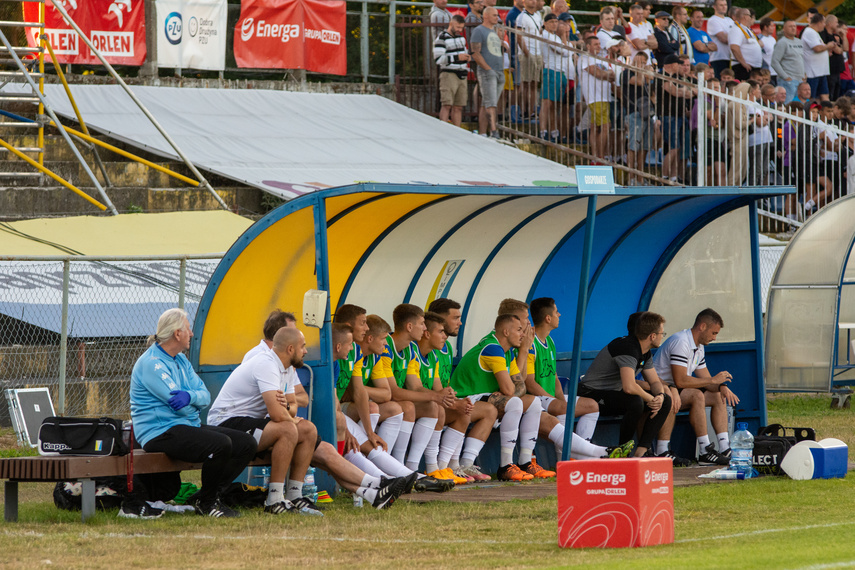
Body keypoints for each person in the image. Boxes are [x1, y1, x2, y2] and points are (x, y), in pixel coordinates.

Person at [208, 325, 412, 513]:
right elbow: (279, 414)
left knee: (309, 431)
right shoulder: (266, 363)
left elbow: (294, 405)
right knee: (291, 429)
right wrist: (288, 412)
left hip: (258, 425)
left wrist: (288, 409)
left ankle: (371, 489)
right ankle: (275, 499)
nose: (306, 351)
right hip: (228, 425)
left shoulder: (287, 367)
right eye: (303, 346)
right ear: (290, 348)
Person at [130, 308, 257, 518]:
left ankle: (206, 496)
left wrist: (190, 397)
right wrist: (192, 401)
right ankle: (208, 504)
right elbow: (177, 405)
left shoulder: (180, 360)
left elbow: (205, 395)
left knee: (246, 443)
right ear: (177, 333)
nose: (191, 333)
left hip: (185, 425)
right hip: (159, 431)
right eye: (188, 329)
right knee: (221, 444)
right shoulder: (151, 364)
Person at [526, 297, 634, 461]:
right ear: (548, 318)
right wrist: (555, 401)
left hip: (550, 398)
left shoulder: (549, 341)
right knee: (562, 408)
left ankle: (581, 454)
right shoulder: (531, 342)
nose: (559, 315)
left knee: (592, 405)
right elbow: (529, 382)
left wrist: (561, 399)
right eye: (556, 312)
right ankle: (564, 460)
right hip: (536, 398)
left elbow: (553, 375)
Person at [450, 314, 543, 481]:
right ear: (506, 332)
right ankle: (506, 466)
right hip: (464, 399)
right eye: (519, 330)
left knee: (534, 402)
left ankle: (525, 462)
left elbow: (521, 386)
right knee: (513, 403)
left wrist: (509, 393)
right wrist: (509, 394)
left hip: (483, 399)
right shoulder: (492, 347)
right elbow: (509, 389)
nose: (523, 334)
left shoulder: (508, 352)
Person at [577, 311, 671, 458]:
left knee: (666, 400)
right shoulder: (627, 347)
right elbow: (629, 387)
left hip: (613, 394)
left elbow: (654, 381)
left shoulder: (645, 351)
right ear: (652, 336)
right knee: (635, 401)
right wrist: (650, 399)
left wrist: (659, 396)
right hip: (591, 393)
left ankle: (642, 450)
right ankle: (623, 452)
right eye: (662, 333)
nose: (662, 336)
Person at [652, 309, 739, 466]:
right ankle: (699, 450)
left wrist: (721, 386)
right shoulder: (681, 341)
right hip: (657, 390)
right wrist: (713, 380)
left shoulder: (699, 346)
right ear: (702, 326)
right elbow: (680, 381)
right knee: (696, 395)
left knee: (717, 395)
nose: (714, 338)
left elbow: (705, 379)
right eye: (713, 333)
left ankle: (725, 448)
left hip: (675, 389)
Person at [656, 54, 694, 183]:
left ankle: (673, 176)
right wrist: (684, 91)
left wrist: (683, 91)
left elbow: (689, 94)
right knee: (673, 147)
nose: (681, 66)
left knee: (678, 148)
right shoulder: (662, 76)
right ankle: (665, 177)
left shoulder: (676, 77)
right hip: (669, 116)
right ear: (671, 65)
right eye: (679, 64)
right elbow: (674, 92)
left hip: (679, 116)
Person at [578, 35, 615, 162]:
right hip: (595, 97)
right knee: (605, 126)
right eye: (595, 44)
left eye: (599, 44)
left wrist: (603, 74)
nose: (599, 46)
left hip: (605, 97)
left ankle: (595, 157)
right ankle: (599, 156)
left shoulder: (602, 60)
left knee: (595, 127)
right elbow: (597, 74)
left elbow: (613, 76)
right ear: (588, 46)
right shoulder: (585, 58)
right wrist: (605, 74)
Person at [471, 7, 505, 139]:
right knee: (491, 103)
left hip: (498, 71)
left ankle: (483, 132)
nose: (497, 18)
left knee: (487, 103)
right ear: (486, 16)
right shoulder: (479, 30)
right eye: (494, 15)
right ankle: (494, 131)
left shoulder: (495, 31)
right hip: (487, 71)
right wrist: (487, 68)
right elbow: (475, 52)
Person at [623, 50, 654, 185]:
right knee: (633, 146)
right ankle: (631, 178)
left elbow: (650, 84)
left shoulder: (645, 75)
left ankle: (640, 178)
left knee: (644, 148)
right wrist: (641, 70)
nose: (641, 64)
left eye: (643, 62)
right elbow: (639, 82)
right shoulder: (626, 73)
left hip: (647, 113)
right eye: (639, 61)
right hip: (634, 113)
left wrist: (649, 73)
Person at [434, 15, 470, 127]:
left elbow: (464, 53)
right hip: (449, 74)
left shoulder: (461, 38)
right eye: (458, 27)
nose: (460, 30)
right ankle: (444, 130)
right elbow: (438, 59)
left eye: (461, 28)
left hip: (462, 74)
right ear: (451, 24)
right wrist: (457, 57)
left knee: (459, 106)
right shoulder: (441, 38)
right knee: (447, 104)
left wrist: (467, 58)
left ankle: (457, 131)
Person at [540, 13, 566, 142]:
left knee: (554, 104)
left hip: (559, 71)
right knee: (546, 102)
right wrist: (565, 36)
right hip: (550, 70)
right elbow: (564, 51)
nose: (554, 24)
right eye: (551, 22)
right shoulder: (546, 35)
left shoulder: (555, 37)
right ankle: (543, 131)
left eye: (556, 21)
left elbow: (566, 52)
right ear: (545, 23)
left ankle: (553, 131)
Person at [516, 0, 543, 123]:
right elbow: (519, 36)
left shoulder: (537, 15)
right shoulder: (521, 17)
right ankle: (524, 111)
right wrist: (527, 53)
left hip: (537, 52)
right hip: (528, 53)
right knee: (526, 82)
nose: (533, 1)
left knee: (534, 83)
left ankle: (532, 111)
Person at [772, 21, 806, 104]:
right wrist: (785, 77)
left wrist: (804, 74)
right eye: (790, 26)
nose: (793, 28)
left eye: (794, 26)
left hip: (800, 80)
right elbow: (774, 61)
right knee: (788, 105)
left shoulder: (799, 42)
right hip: (788, 80)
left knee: (799, 106)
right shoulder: (782, 42)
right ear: (784, 29)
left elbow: (801, 59)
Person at [803, 13, 834, 101]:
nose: (824, 25)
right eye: (824, 23)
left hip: (820, 71)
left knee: (824, 95)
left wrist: (826, 51)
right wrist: (828, 46)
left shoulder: (815, 33)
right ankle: (811, 113)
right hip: (812, 72)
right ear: (819, 22)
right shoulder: (809, 32)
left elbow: (820, 48)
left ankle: (825, 113)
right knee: (812, 97)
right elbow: (817, 48)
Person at [728, 8, 763, 81]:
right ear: (745, 17)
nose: (751, 18)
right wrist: (743, 63)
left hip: (752, 67)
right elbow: (734, 47)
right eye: (750, 16)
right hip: (743, 68)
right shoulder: (736, 29)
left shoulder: (747, 29)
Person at [706, 0, 733, 78]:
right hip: (718, 58)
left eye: (725, 5)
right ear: (715, 7)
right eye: (721, 5)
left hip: (730, 58)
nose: (724, 7)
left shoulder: (730, 20)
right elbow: (723, 38)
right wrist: (733, 38)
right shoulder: (713, 20)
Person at [821, 15, 846, 100]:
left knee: (836, 93)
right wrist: (837, 48)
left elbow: (845, 48)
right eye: (836, 22)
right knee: (830, 93)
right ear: (830, 23)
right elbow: (838, 50)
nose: (837, 24)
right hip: (829, 70)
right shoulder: (824, 35)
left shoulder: (835, 36)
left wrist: (844, 36)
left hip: (837, 70)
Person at [758, 17, 777, 85]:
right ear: (765, 27)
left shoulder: (773, 39)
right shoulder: (759, 39)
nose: (773, 28)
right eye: (771, 26)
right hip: (767, 73)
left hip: (775, 71)